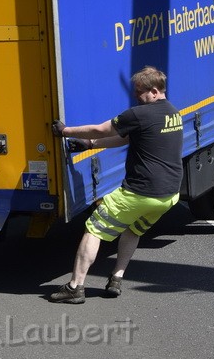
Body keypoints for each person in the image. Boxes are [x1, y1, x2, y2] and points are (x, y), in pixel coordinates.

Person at [48, 65, 184, 304]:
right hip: (168, 195)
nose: (135, 96)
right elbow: (129, 137)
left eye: (139, 91)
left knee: (94, 229)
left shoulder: (139, 114)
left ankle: (75, 287)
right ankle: (116, 279)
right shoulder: (173, 113)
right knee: (133, 229)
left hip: (140, 192)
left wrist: (65, 131)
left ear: (153, 91)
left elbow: (101, 129)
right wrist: (89, 145)